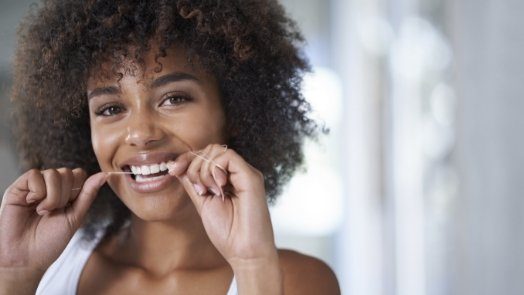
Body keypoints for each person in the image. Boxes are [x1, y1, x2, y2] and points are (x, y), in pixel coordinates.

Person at [0, 0, 340, 294]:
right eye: (111, 109)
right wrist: (15, 276)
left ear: (234, 111)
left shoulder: (298, 281)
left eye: (174, 98)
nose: (140, 133)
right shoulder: (45, 268)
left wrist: (253, 266)